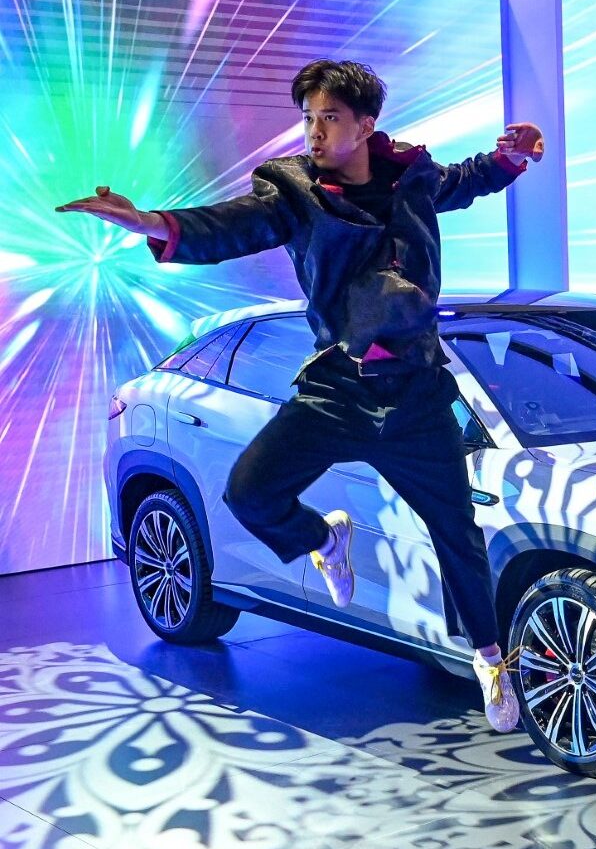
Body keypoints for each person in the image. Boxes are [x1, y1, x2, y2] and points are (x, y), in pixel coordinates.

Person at [57, 59, 548, 732]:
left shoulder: (412, 176)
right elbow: (231, 225)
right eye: (308, 118)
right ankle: (322, 537)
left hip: (417, 394)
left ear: (365, 125)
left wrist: (512, 159)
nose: (314, 132)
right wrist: (148, 222)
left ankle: (490, 659)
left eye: (330, 118)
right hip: (338, 387)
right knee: (249, 492)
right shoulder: (292, 193)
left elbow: (466, 181)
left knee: (457, 534)